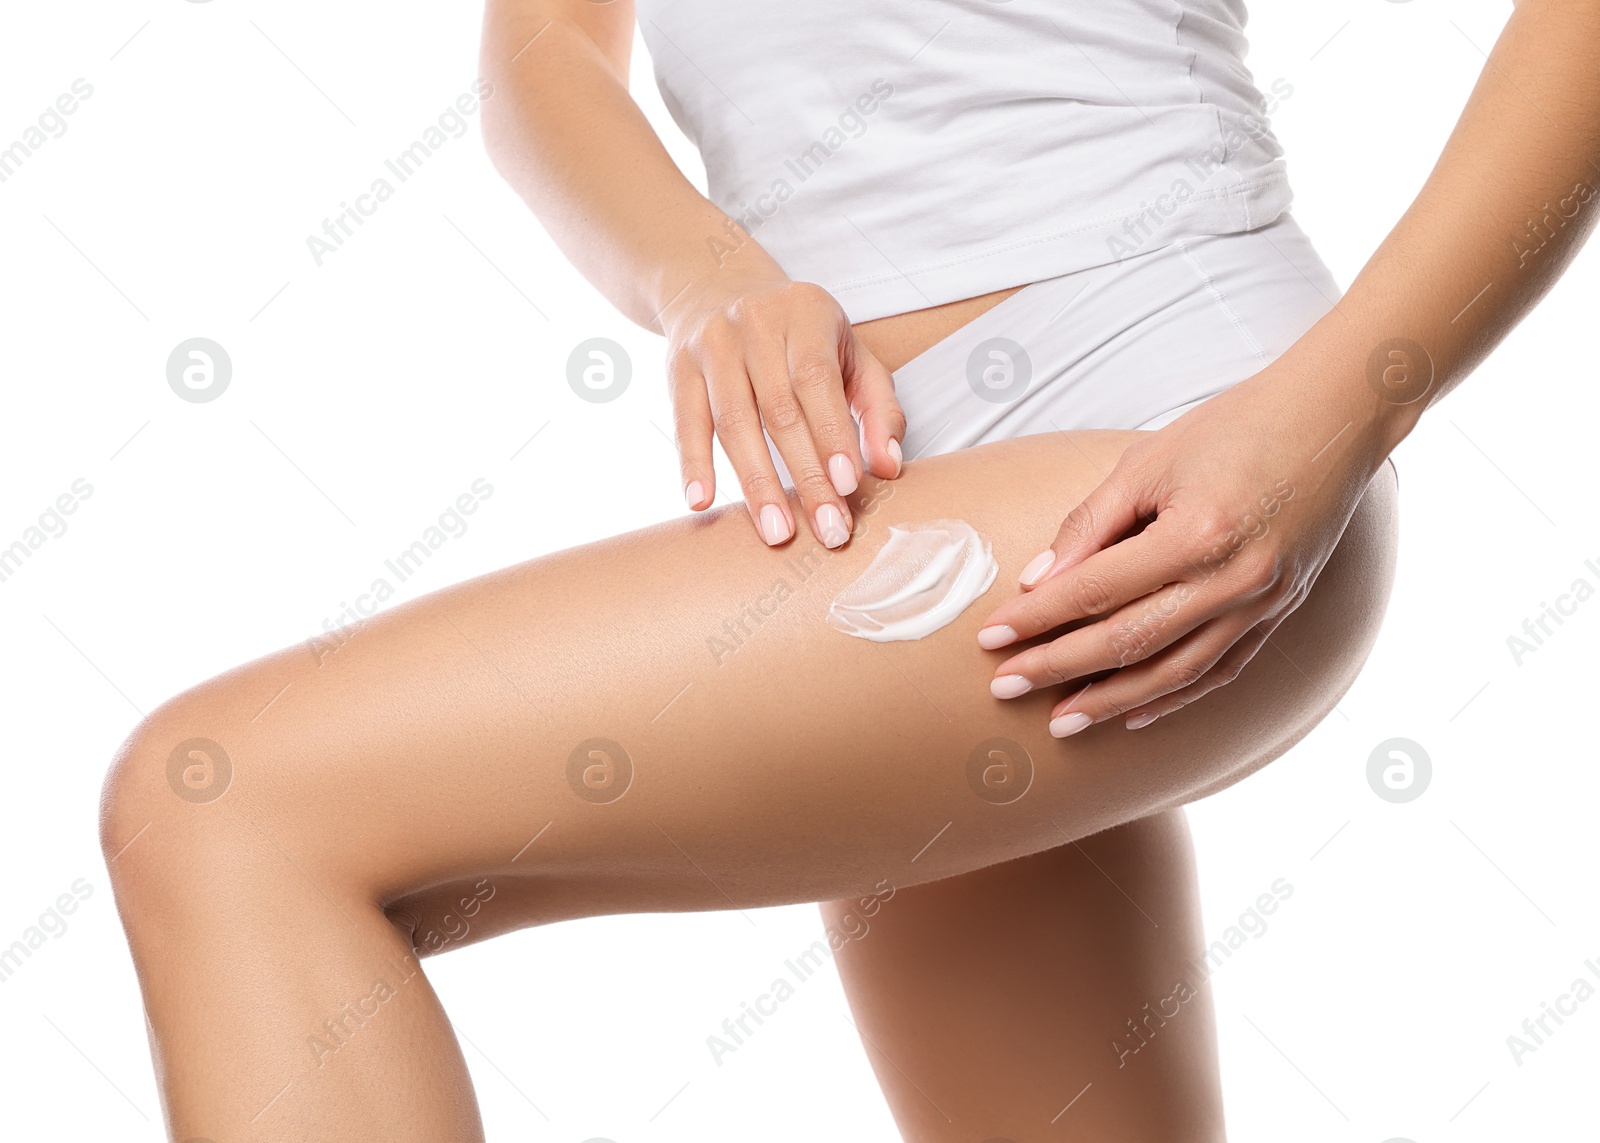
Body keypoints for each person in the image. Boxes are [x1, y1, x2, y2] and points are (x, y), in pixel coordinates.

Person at [100, 0, 1598, 1138]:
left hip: (1170, 447)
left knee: (224, 808)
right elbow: (544, 52)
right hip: (894, 495)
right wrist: (707, 283)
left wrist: (1335, 413)